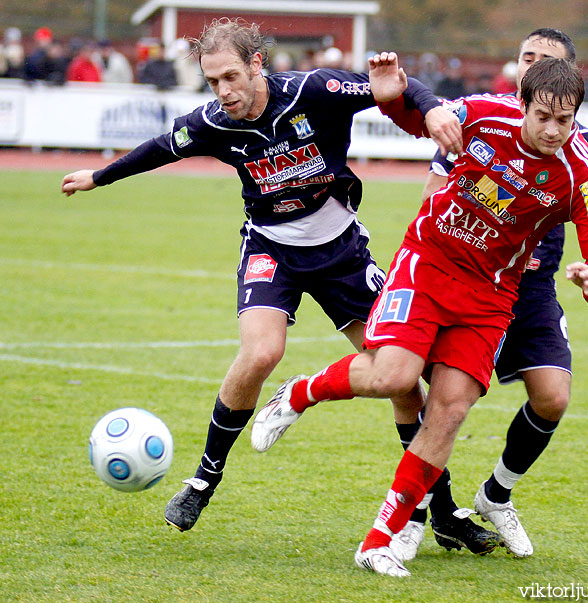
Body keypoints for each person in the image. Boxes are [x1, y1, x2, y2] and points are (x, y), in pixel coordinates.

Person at [60, 19, 489, 550]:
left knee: (402, 381)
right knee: (261, 353)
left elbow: (392, 84)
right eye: (212, 80)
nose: (223, 92)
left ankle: (441, 508)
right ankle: (202, 481)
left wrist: (430, 106)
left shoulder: (315, 91)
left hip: (342, 254)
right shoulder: (214, 122)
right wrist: (98, 177)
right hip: (271, 249)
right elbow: (158, 148)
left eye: (231, 77)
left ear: (258, 64)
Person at [251, 53, 588, 577]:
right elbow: (416, 118)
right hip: (428, 263)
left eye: (564, 120)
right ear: (523, 105)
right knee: (392, 376)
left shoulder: (581, 170)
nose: (552, 130)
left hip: (491, 297)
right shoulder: (484, 114)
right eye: (542, 116)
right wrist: (397, 96)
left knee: (448, 411)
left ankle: (378, 539)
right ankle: (300, 392)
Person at [413, 28, 588, 561]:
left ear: (568, 81)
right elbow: (434, 195)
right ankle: (422, 510)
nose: (532, 67)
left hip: (533, 288)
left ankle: (496, 495)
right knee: (441, 402)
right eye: (527, 58)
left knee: (553, 396)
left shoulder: (575, 143)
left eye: (546, 62)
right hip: (470, 280)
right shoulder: (478, 121)